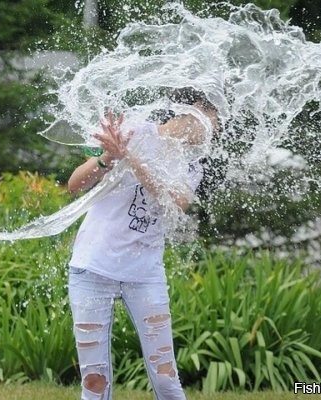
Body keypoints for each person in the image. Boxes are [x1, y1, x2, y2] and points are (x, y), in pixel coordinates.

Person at [66, 88, 219, 400]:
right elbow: (75, 183)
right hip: (92, 269)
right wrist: (108, 156)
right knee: (94, 383)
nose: (211, 132)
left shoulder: (193, 165)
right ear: (187, 111)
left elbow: (176, 202)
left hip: (145, 275)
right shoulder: (131, 132)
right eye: (209, 122)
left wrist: (131, 159)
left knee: (166, 381)